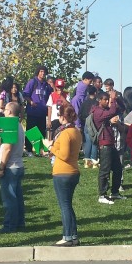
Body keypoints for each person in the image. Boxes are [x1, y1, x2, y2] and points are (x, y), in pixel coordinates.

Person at [49, 104, 82, 246]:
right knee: (68, 205)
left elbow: (64, 154)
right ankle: (73, 235)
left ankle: (67, 236)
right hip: (73, 171)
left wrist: (50, 147)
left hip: (63, 172)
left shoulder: (65, 133)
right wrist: (51, 148)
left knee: (64, 206)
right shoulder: (76, 131)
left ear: (62, 116)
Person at [0, 101, 26, 232]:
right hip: (18, 165)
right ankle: (20, 222)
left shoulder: (10, 125)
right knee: (17, 197)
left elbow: (8, 149)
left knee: (9, 198)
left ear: (9, 111)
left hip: (10, 167)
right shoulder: (19, 125)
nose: (3, 111)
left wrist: (2, 167)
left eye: (5, 109)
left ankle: (10, 225)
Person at [23, 65, 52, 153]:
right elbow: (25, 94)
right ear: (38, 72)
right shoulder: (33, 82)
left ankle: (40, 149)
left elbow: (51, 95)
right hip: (33, 112)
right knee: (31, 130)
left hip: (42, 112)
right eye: (41, 71)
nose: (43, 73)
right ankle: (28, 149)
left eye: (44, 72)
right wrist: (31, 102)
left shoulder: (46, 85)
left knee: (41, 131)